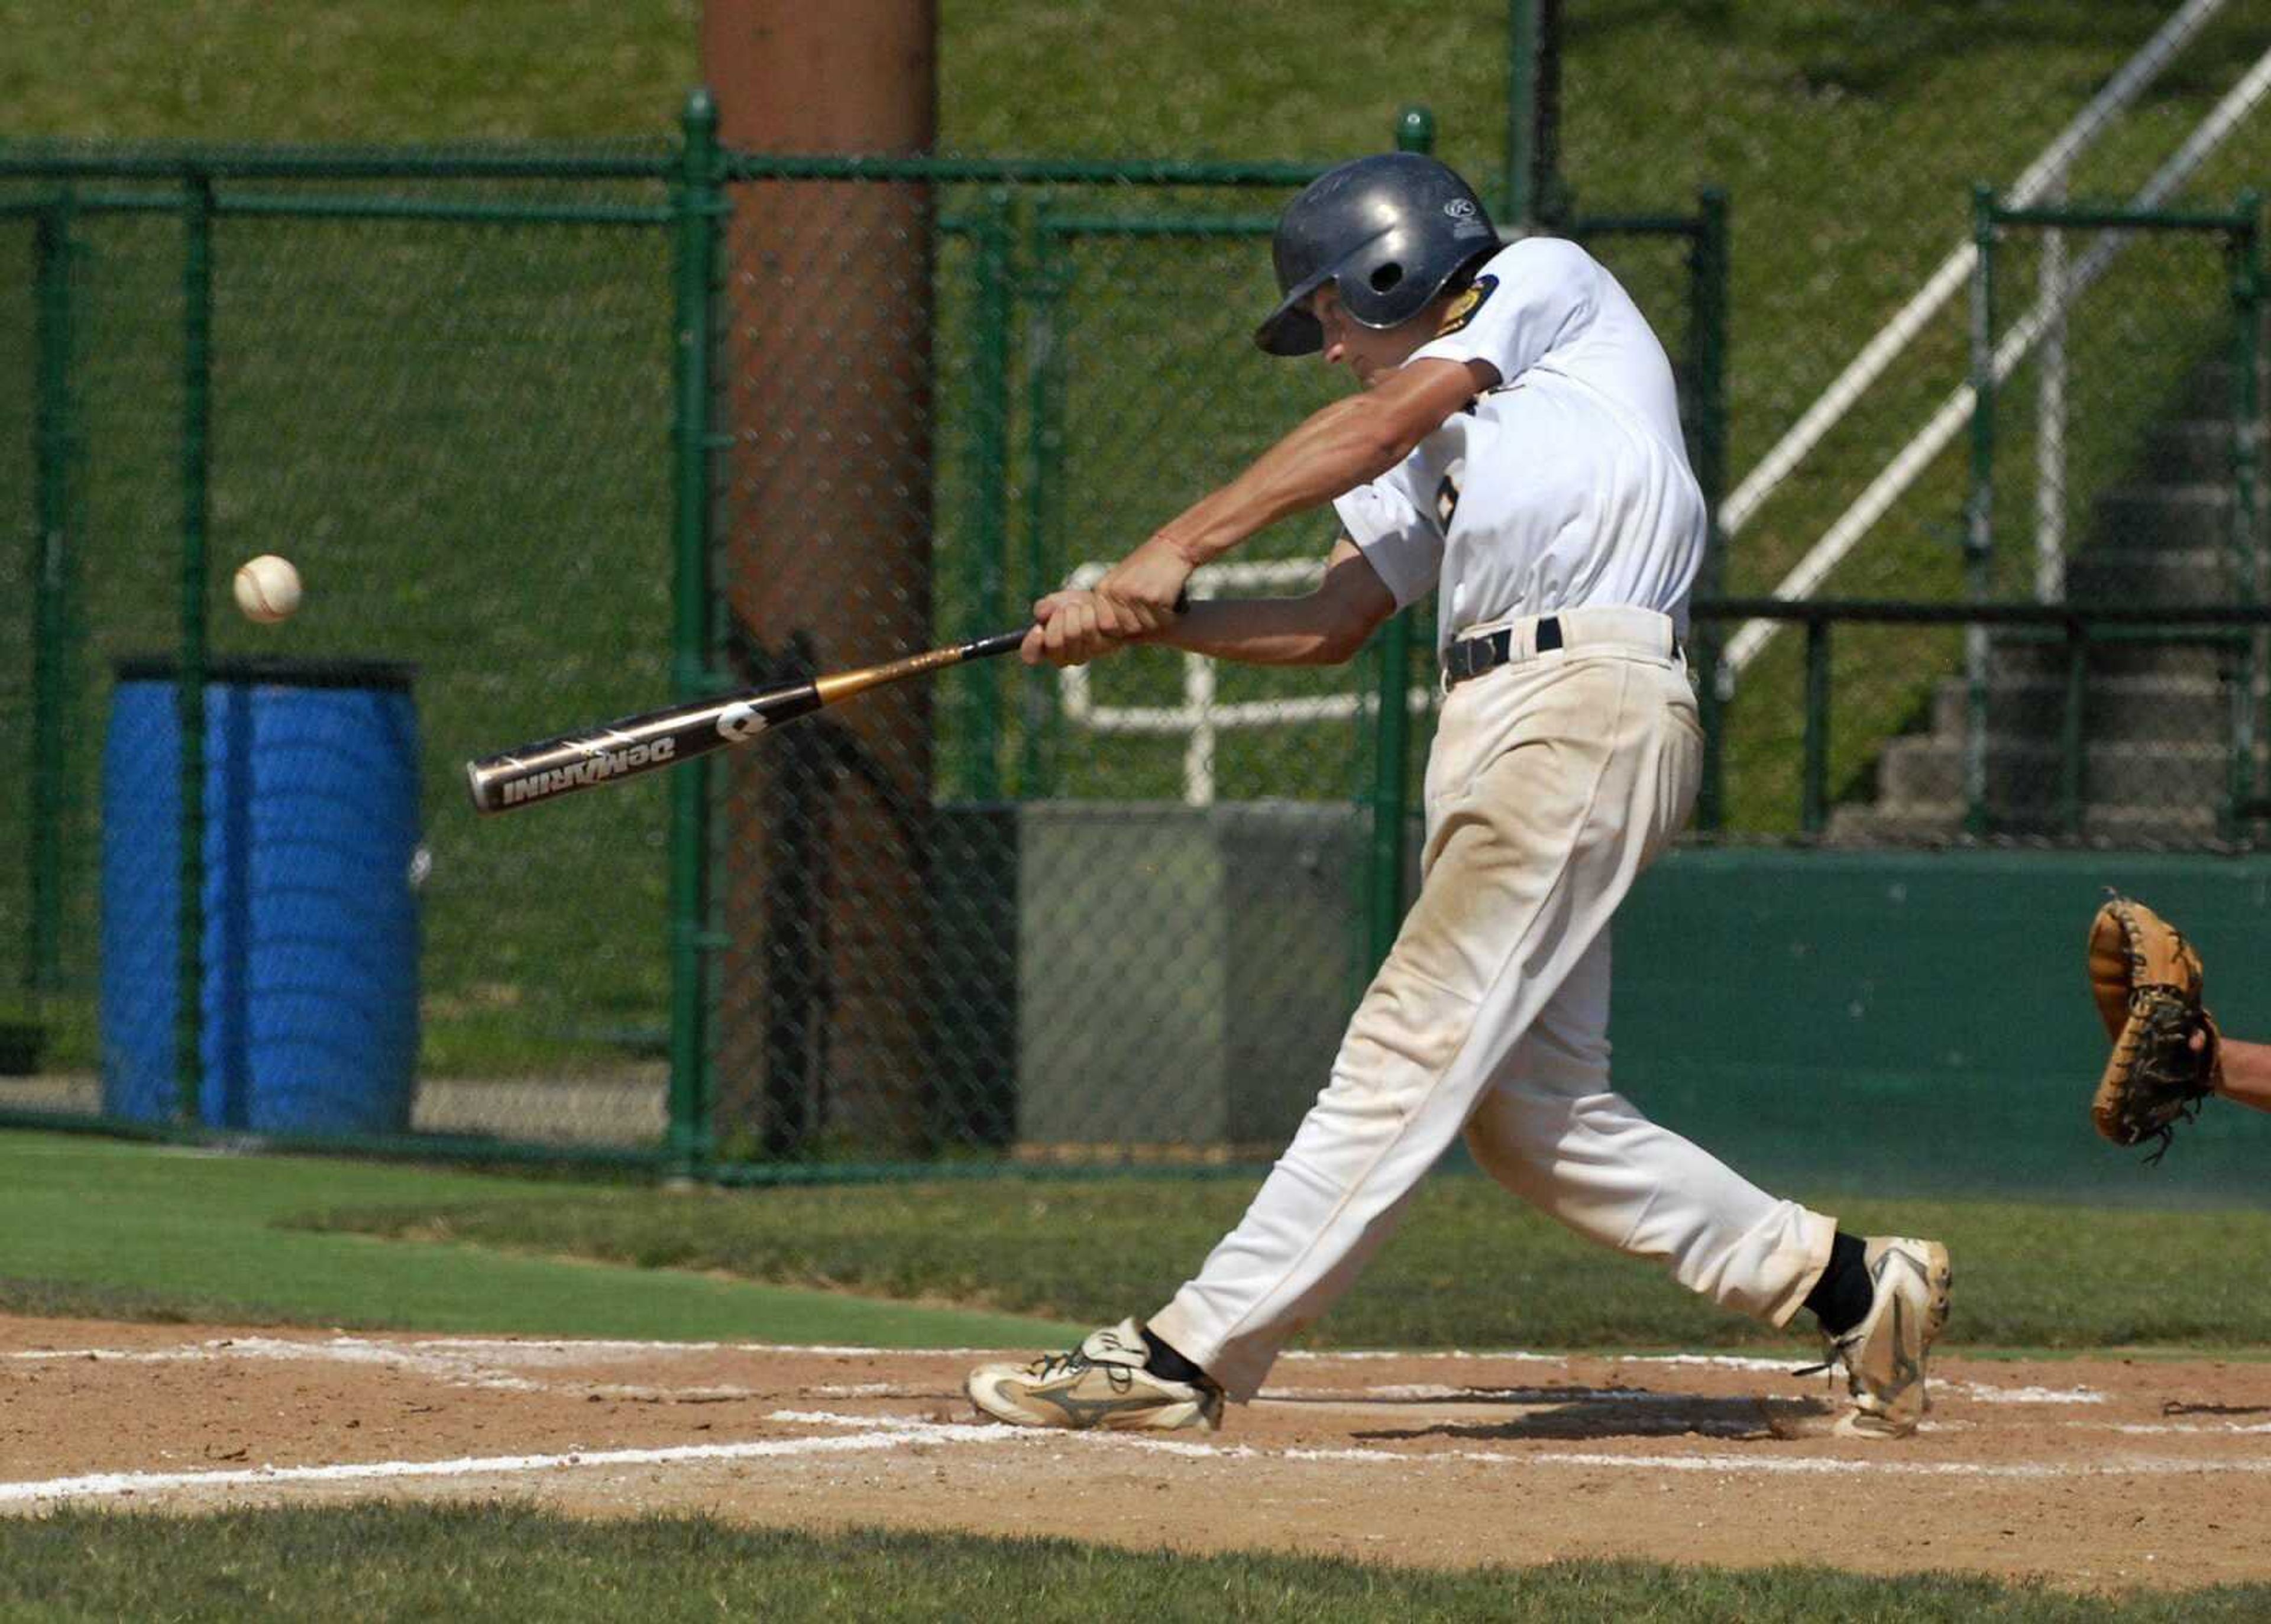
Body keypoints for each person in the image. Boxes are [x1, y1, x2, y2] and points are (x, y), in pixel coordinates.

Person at [965, 154, 1950, 1440]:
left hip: (1580, 694)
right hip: (1500, 721)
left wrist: (1175, 547)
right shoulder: (1430, 438)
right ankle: (1850, 1284)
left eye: (1328, 312)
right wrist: (1143, 628)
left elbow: (1365, 428)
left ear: (1394, 262)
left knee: (1411, 1040)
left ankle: (1185, 1352)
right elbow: (1330, 619)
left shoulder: (1538, 284)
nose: (1327, 349)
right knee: (1533, 1120)